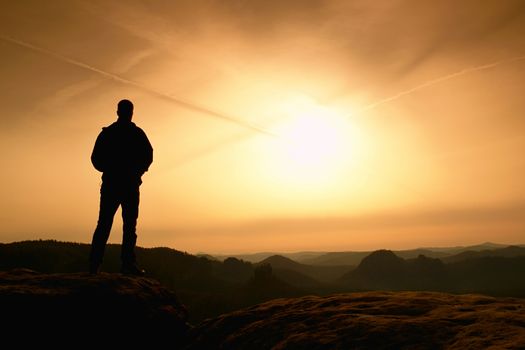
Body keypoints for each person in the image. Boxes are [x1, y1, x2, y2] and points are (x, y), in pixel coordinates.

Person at [89, 99, 153, 275]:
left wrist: (113, 170)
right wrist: (136, 172)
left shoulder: (109, 134)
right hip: (125, 185)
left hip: (115, 184)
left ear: (118, 112)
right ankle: (123, 264)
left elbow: (95, 159)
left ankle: (96, 264)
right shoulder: (134, 134)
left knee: (107, 225)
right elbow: (148, 156)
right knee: (123, 226)